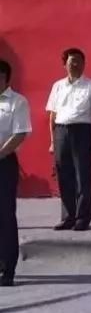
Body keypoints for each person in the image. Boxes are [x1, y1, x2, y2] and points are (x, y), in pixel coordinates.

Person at [45, 48, 91, 231]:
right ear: (65, 64)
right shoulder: (58, 86)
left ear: (84, 64)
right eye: (72, 61)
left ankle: (82, 218)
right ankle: (68, 217)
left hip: (82, 131)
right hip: (61, 132)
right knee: (64, 176)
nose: (76, 64)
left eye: (79, 61)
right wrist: (53, 141)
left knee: (83, 176)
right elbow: (52, 115)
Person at [0, 60, 31, 287]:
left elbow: (20, 133)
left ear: (6, 78)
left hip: (4, 162)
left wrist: (0, 153)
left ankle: (8, 267)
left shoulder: (17, 102)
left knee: (5, 215)